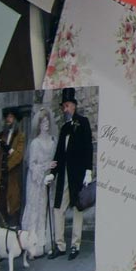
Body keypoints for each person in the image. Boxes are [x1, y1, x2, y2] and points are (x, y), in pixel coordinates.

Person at [54, 88, 95, 255]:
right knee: (58, 208)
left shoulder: (83, 122)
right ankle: (59, 245)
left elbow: (88, 147)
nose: (65, 109)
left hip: (77, 174)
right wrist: (53, 172)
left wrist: (88, 171)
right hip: (63, 175)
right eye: (64, 106)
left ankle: (75, 245)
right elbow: (59, 152)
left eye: (68, 106)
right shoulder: (64, 128)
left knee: (78, 208)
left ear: (74, 106)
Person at [20, 111, 58, 260]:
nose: (46, 125)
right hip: (36, 182)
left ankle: (45, 243)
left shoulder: (53, 141)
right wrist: (44, 168)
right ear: (39, 125)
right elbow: (32, 165)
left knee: (46, 211)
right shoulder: (35, 143)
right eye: (43, 122)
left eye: (47, 121)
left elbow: (55, 160)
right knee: (35, 210)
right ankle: (32, 246)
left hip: (49, 180)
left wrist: (51, 171)